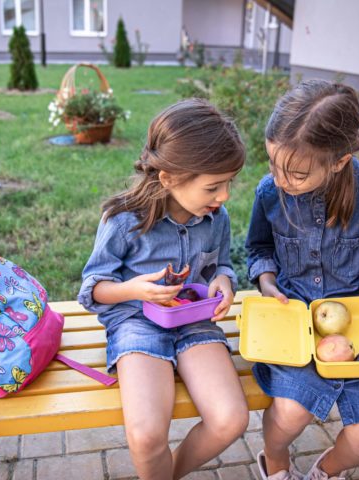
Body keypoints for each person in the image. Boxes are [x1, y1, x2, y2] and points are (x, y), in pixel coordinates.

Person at [79, 98, 249, 480]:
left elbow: (221, 265)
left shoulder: (215, 218)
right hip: (136, 324)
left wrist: (224, 280)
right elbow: (94, 288)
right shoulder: (123, 221)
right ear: (169, 178)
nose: (224, 197)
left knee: (231, 419)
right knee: (146, 435)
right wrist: (134, 290)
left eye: (228, 184)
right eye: (213, 187)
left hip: (195, 323)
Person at [245, 78, 359, 480]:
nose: (280, 180)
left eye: (295, 173)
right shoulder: (269, 192)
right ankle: (276, 464)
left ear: (339, 161)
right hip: (292, 318)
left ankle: (324, 472)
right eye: (272, 164)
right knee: (290, 412)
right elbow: (259, 250)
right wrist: (266, 281)